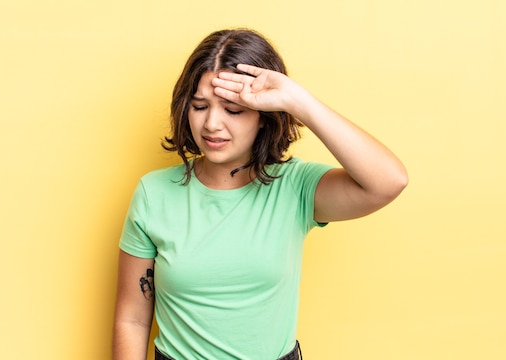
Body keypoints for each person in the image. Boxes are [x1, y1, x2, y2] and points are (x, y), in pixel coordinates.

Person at [113, 28, 408, 360]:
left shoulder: (295, 187)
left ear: (264, 117)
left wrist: (299, 102)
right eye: (199, 106)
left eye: (233, 110)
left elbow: (388, 181)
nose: (211, 123)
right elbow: (132, 319)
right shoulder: (154, 193)